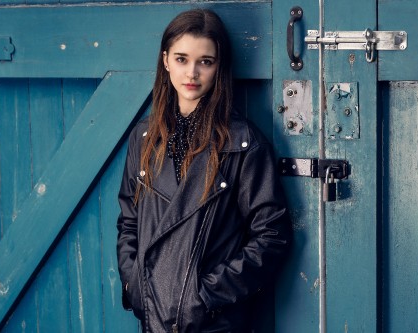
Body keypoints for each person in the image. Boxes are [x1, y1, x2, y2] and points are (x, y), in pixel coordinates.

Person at [117, 8, 290, 333]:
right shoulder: (144, 138)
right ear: (166, 60)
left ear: (218, 67)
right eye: (182, 59)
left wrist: (205, 294)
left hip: (212, 322)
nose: (192, 73)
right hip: (152, 318)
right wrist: (134, 283)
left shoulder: (242, 143)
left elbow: (272, 236)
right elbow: (129, 222)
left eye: (205, 62)